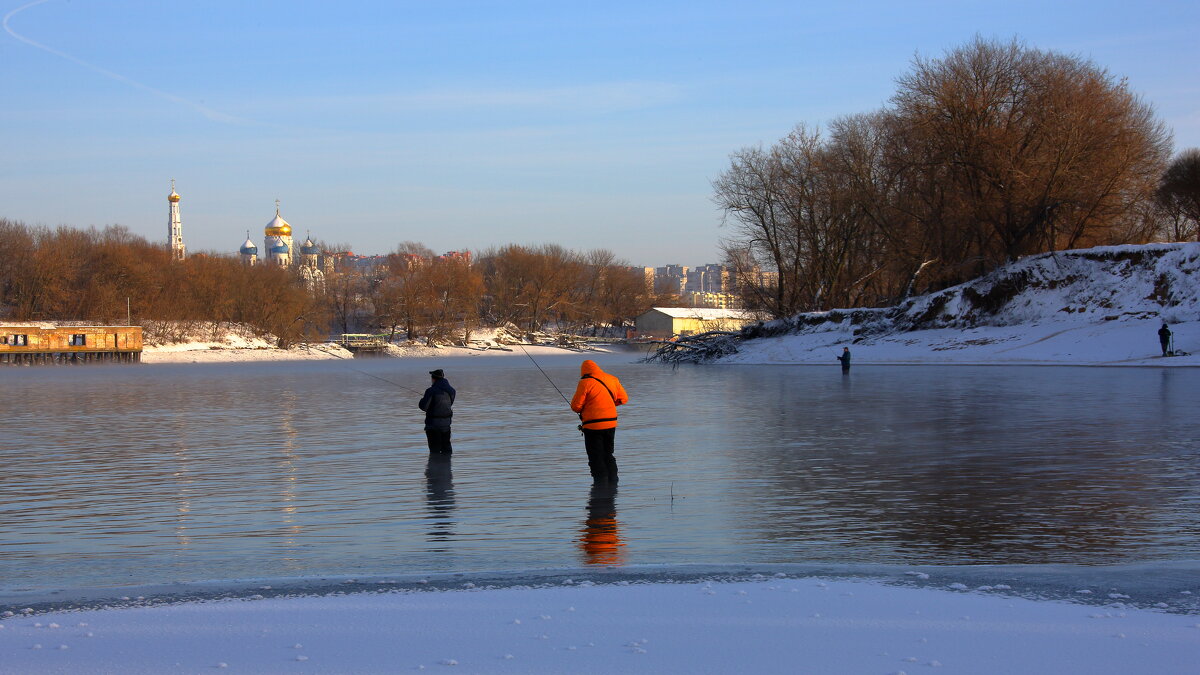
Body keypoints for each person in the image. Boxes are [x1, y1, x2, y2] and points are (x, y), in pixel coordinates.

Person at [570, 359, 628, 485]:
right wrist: (608, 406)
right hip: (611, 423)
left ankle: (600, 484)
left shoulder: (585, 382)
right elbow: (623, 399)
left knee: (595, 456)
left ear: (584, 371)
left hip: (593, 425)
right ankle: (613, 482)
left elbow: (576, 406)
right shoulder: (613, 379)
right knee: (608, 453)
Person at [418, 368, 455, 454]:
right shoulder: (452, 391)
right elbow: (449, 404)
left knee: (435, 453)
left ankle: (435, 467)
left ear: (434, 379)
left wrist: (422, 400)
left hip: (433, 426)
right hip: (446, 425)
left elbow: (424, 407)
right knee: (447, 452)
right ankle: (447, 467)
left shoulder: (431, 391)